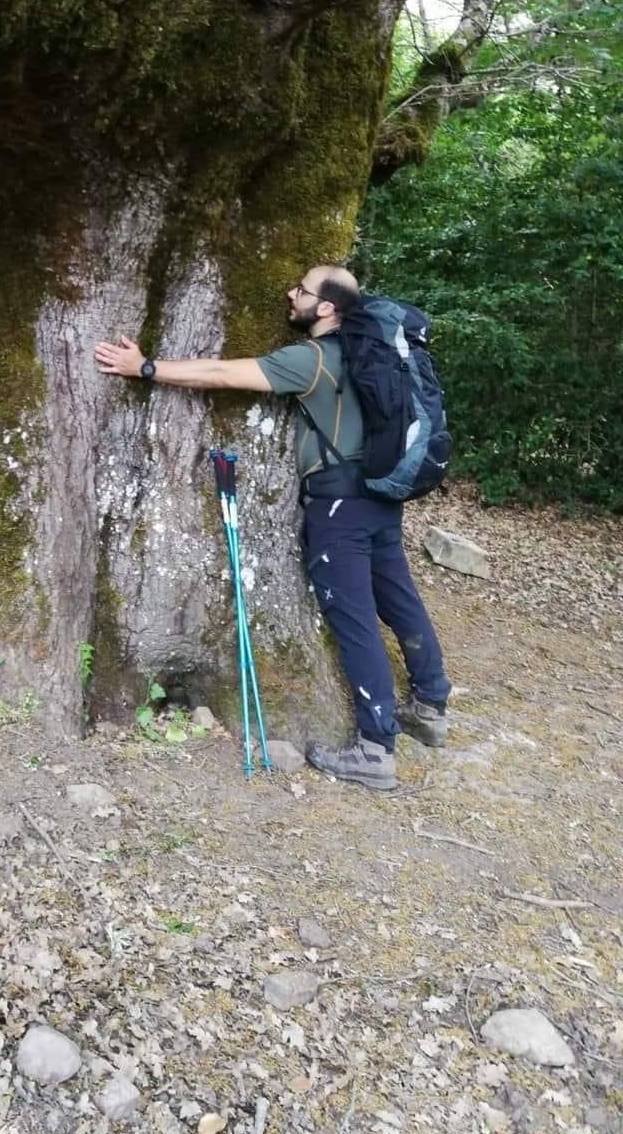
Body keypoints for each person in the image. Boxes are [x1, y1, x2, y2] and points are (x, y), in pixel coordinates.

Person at [94, 264, 451, 793]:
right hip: (380, 497)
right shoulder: (369, 354)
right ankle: (431, 703)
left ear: (326, 308)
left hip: (338, 509)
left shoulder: (312, 360)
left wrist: (145, 367)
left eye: (302, 291)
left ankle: (376, 750)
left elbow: (220, 375)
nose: (291, 293)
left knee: (353, 621)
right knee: (397, 597)